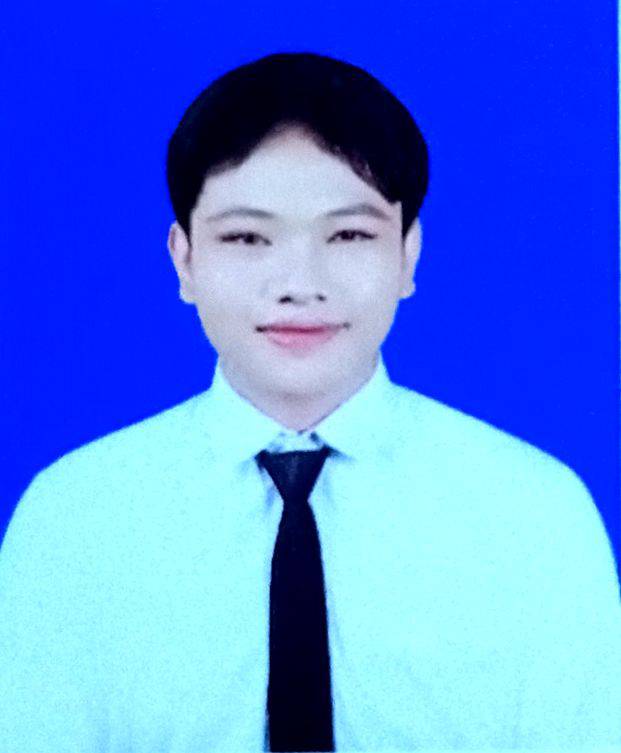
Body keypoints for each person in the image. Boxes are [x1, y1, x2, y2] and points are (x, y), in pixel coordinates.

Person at [1, 51, 620, 753]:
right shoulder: (75, 518)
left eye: (349, 234)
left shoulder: (534, 514)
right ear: (184, 260)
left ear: (408, 255)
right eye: (246, 237)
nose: (299, 283)